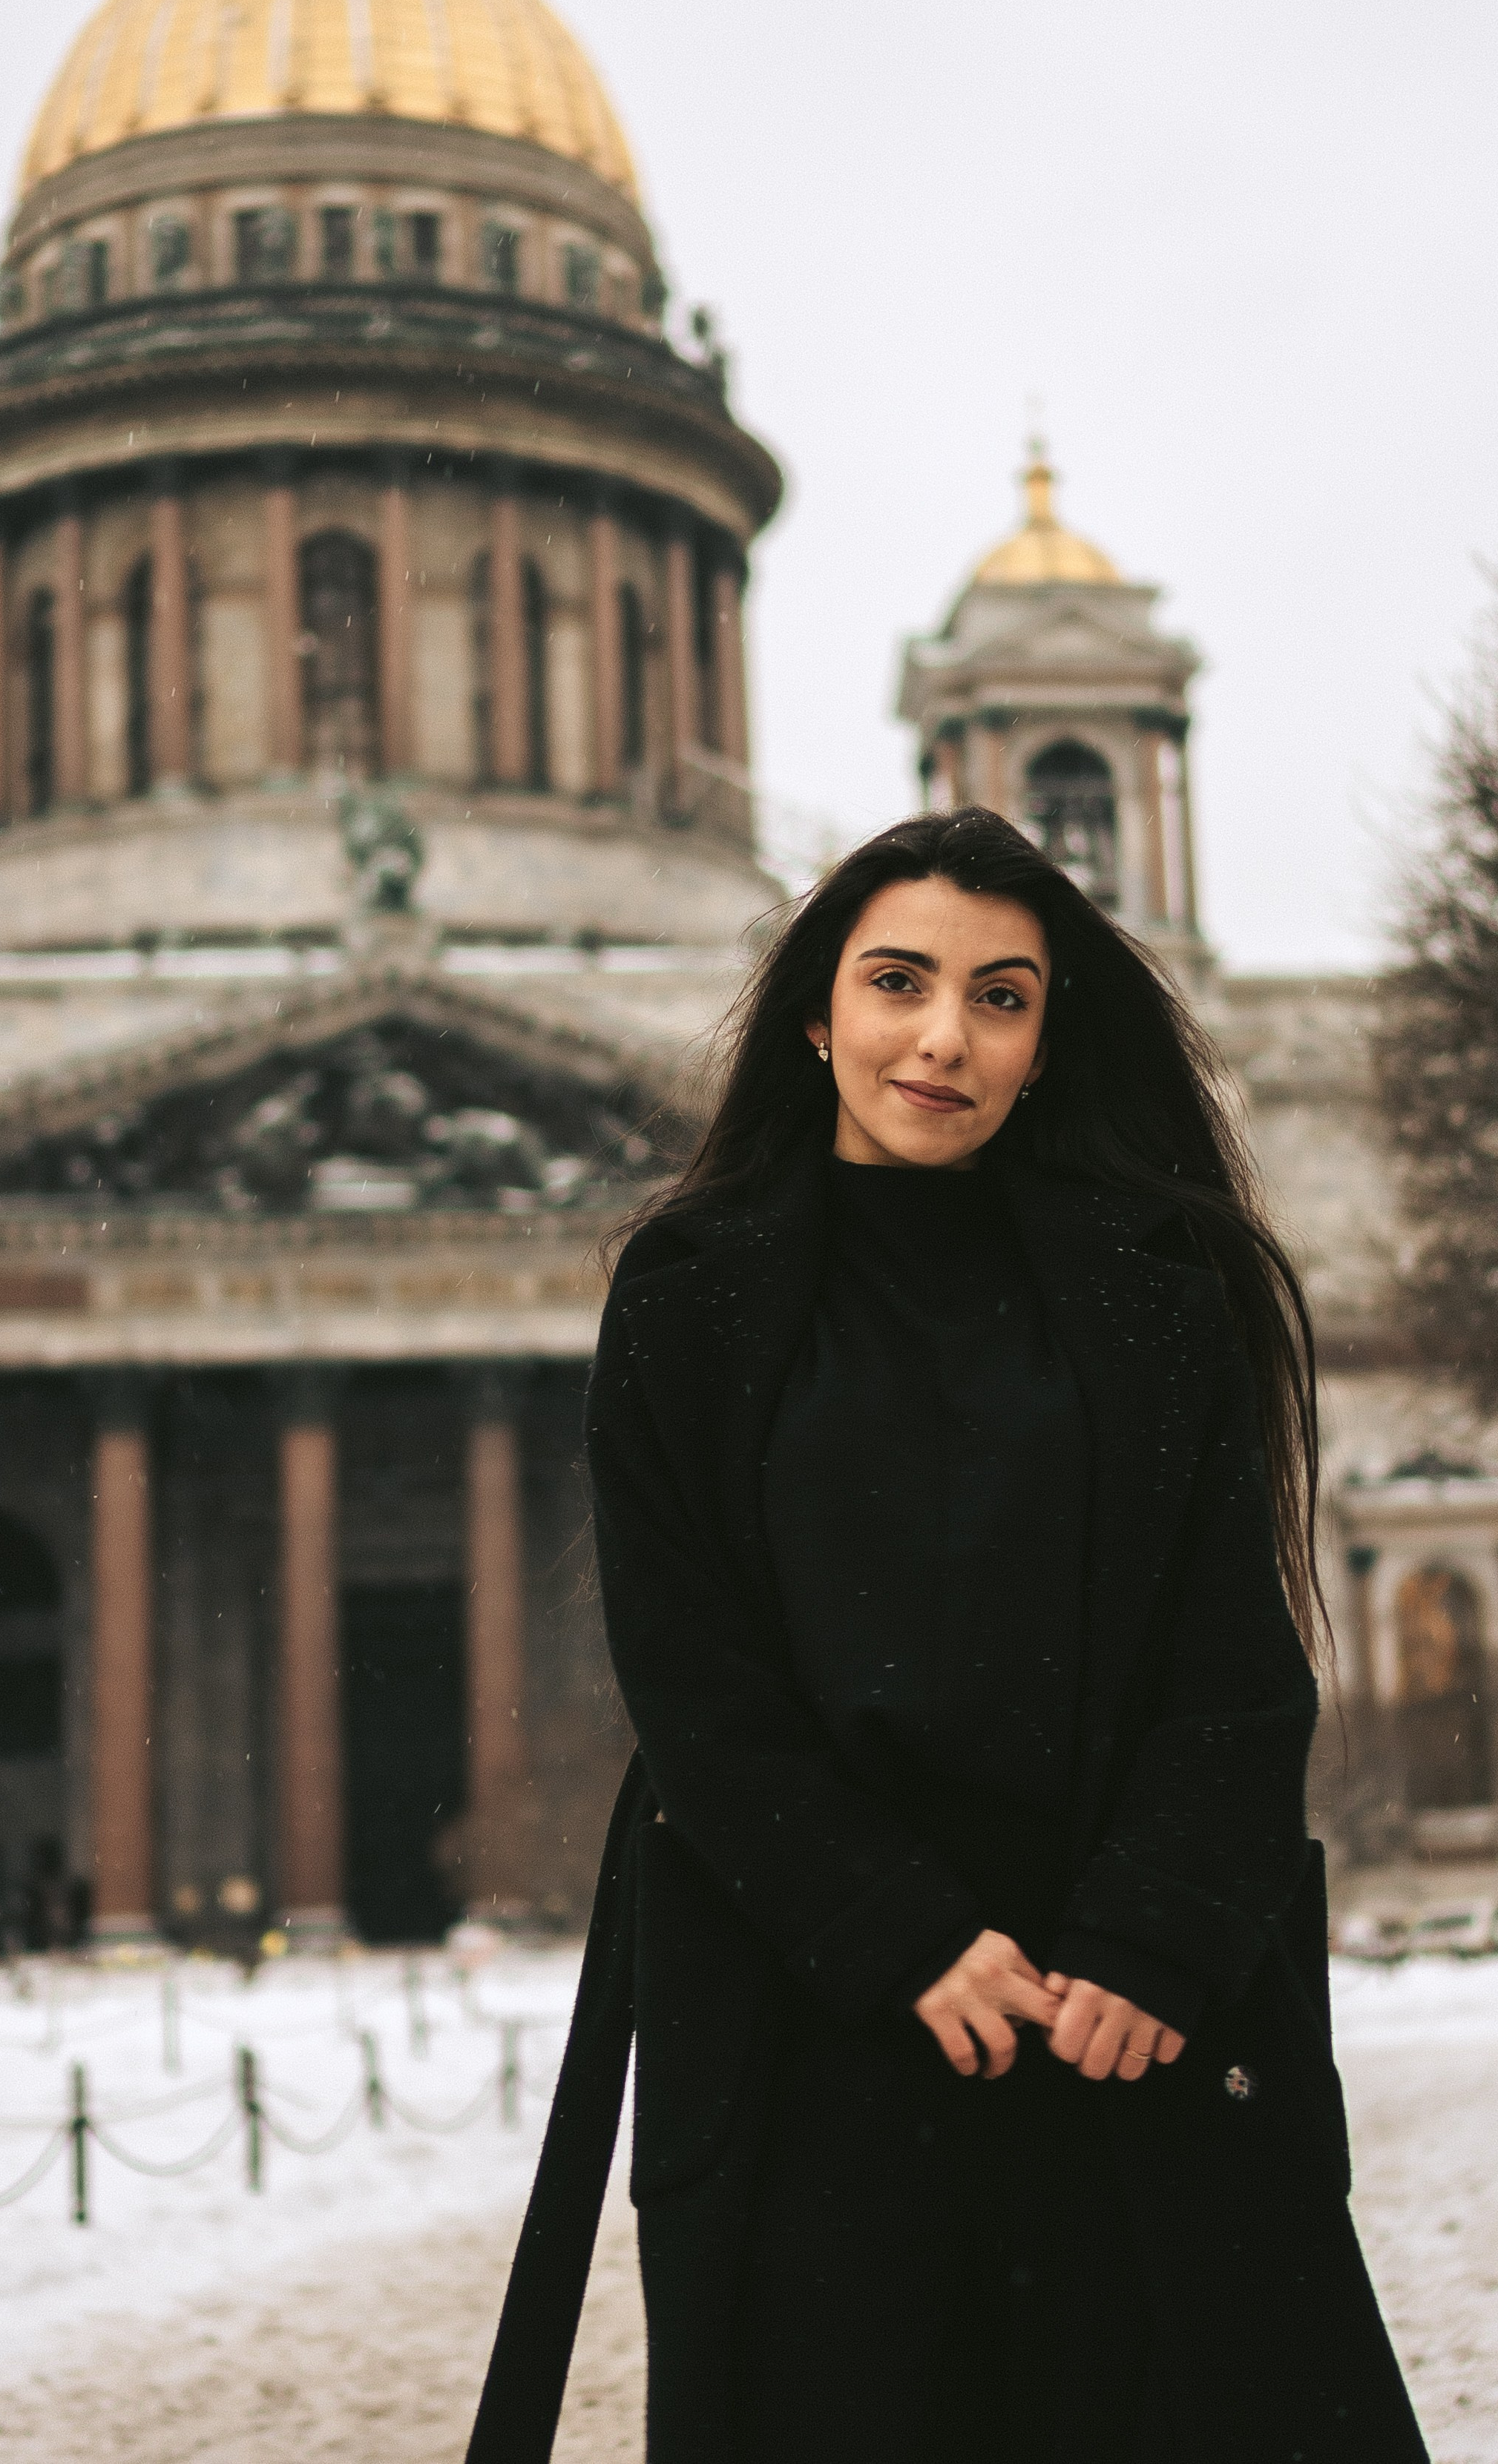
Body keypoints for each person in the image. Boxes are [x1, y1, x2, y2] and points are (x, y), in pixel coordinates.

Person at [469, 808, 1428, 2464]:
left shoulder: (1156, 1281)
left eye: (1002, 996)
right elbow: (693, 1677)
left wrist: (1158, 1935)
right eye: (899, 980)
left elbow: (1233, 1655)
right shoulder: (688, 1290)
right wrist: (896, 1928)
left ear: (1052, 1038)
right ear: (817, 1012)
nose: (943, 1036)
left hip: (1107, 2011)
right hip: (816, 2013)